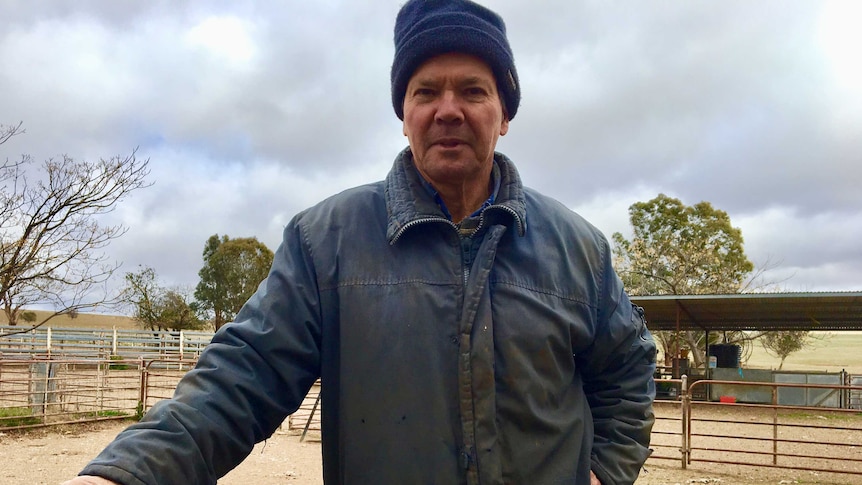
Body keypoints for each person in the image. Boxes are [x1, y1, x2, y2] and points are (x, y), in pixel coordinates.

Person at [64, 1, 656, 484]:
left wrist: (606, 470)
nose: (448, 110)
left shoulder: (579, 249)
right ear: (403, 112)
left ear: (505, 114)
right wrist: (126, 473)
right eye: (426, 92)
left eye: (473, 91)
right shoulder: (326, 242)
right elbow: (242, 377)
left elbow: (627, 368)